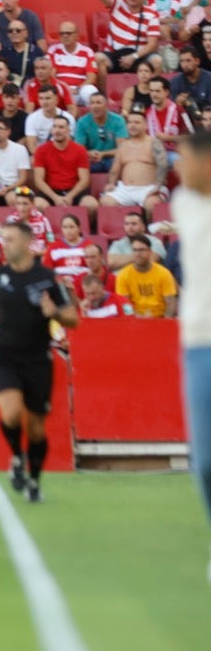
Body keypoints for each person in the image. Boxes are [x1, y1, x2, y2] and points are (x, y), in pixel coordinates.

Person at [0, 219, 79, 504]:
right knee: (10, 414)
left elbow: (73, 320)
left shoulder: (47, 278)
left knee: (36, 429)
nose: (5, 245)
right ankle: (17, 457)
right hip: (4, 356)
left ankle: (34, 480)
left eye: (11, 239)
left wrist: (54, 312)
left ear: (27, 241)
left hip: (38, 359)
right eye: (3, 239)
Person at [173, 129, 211, 580]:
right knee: (204, 462)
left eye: (185, 159)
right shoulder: (184, 202)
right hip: (199, 342)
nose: (178, 168)